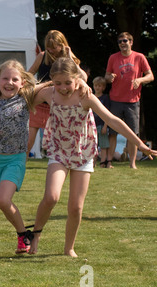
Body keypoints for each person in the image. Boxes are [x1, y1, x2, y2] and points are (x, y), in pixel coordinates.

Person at [29, 57, 157, 257]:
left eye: (68, 82)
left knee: (76, 206)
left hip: (83, 151)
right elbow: (23, 102)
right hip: (59, 150)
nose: (63, 88)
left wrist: (139, 143)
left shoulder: (85, 96)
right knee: (51, 197)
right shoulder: (48, 93)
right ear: (52, 81)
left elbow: (113, 120)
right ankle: (35, 235)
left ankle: (69, 247)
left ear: (76, 79)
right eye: (58, 83)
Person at [0, 60, 50, 256]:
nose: (10, 82)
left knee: (3, 200)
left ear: (22, 82)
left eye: (15, 79)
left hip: (15, 159)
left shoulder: (27, 98)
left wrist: (78, 83)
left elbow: (50, 84)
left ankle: (23, 234)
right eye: (5, 78)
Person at [27, 30, 88, 159]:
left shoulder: (69, 59)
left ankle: (63, 163)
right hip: (39, 103)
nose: (51, 51)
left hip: (57, 106)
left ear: (62, 45)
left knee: (59, 141)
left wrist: (70, 56)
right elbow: (28, 74)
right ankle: (20, 166)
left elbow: (83, 77)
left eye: (54, 48)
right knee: (28, 142)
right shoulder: (42, 56)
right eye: (48, 48)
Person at [105, 32, 154, 169]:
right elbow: (107, 76)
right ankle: (108, 162)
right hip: (115, 99)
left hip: (133, 101)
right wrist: (110, 78)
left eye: (125, 41)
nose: (122, 43)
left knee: (132, 134)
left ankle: (132, 163)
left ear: (131, 42)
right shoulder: (113, 58)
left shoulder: (139, 57)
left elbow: (150, 76)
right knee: (112, 132)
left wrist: (140, 79)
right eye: (120, 41)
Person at [92, 76, 111, 168]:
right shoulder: (91, 97)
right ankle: (93, 162)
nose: (97, 87)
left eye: (99, 86)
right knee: (92, 145)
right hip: (92, 125)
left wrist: (105, 126)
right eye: (95, 85)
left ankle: (103, 162)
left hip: (101, 124)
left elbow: (107, 112)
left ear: (103, 87)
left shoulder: (105, 98)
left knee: (103, 145)